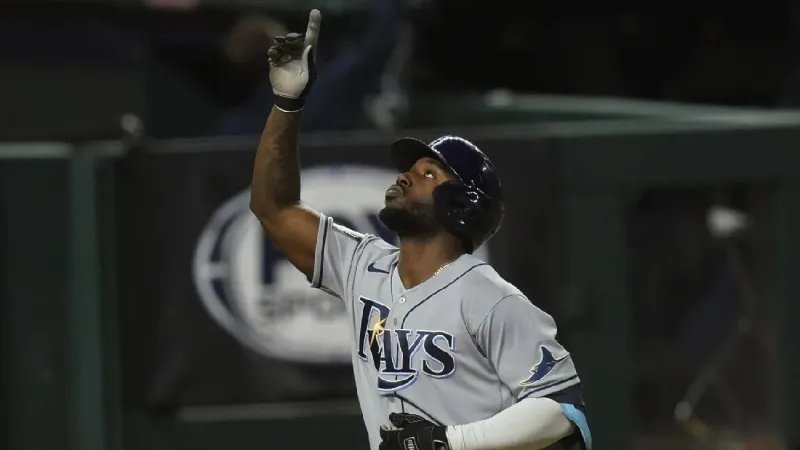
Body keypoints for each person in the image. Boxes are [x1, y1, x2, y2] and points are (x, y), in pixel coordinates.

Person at [249, 10, 592, 450]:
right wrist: (287, 103)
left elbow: (561, 409)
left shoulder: (489, 297)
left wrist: (451, 441)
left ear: (462, 204)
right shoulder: (361, 265)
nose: (406, 176)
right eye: (409, 169)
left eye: (428, 173)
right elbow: (272, 207)